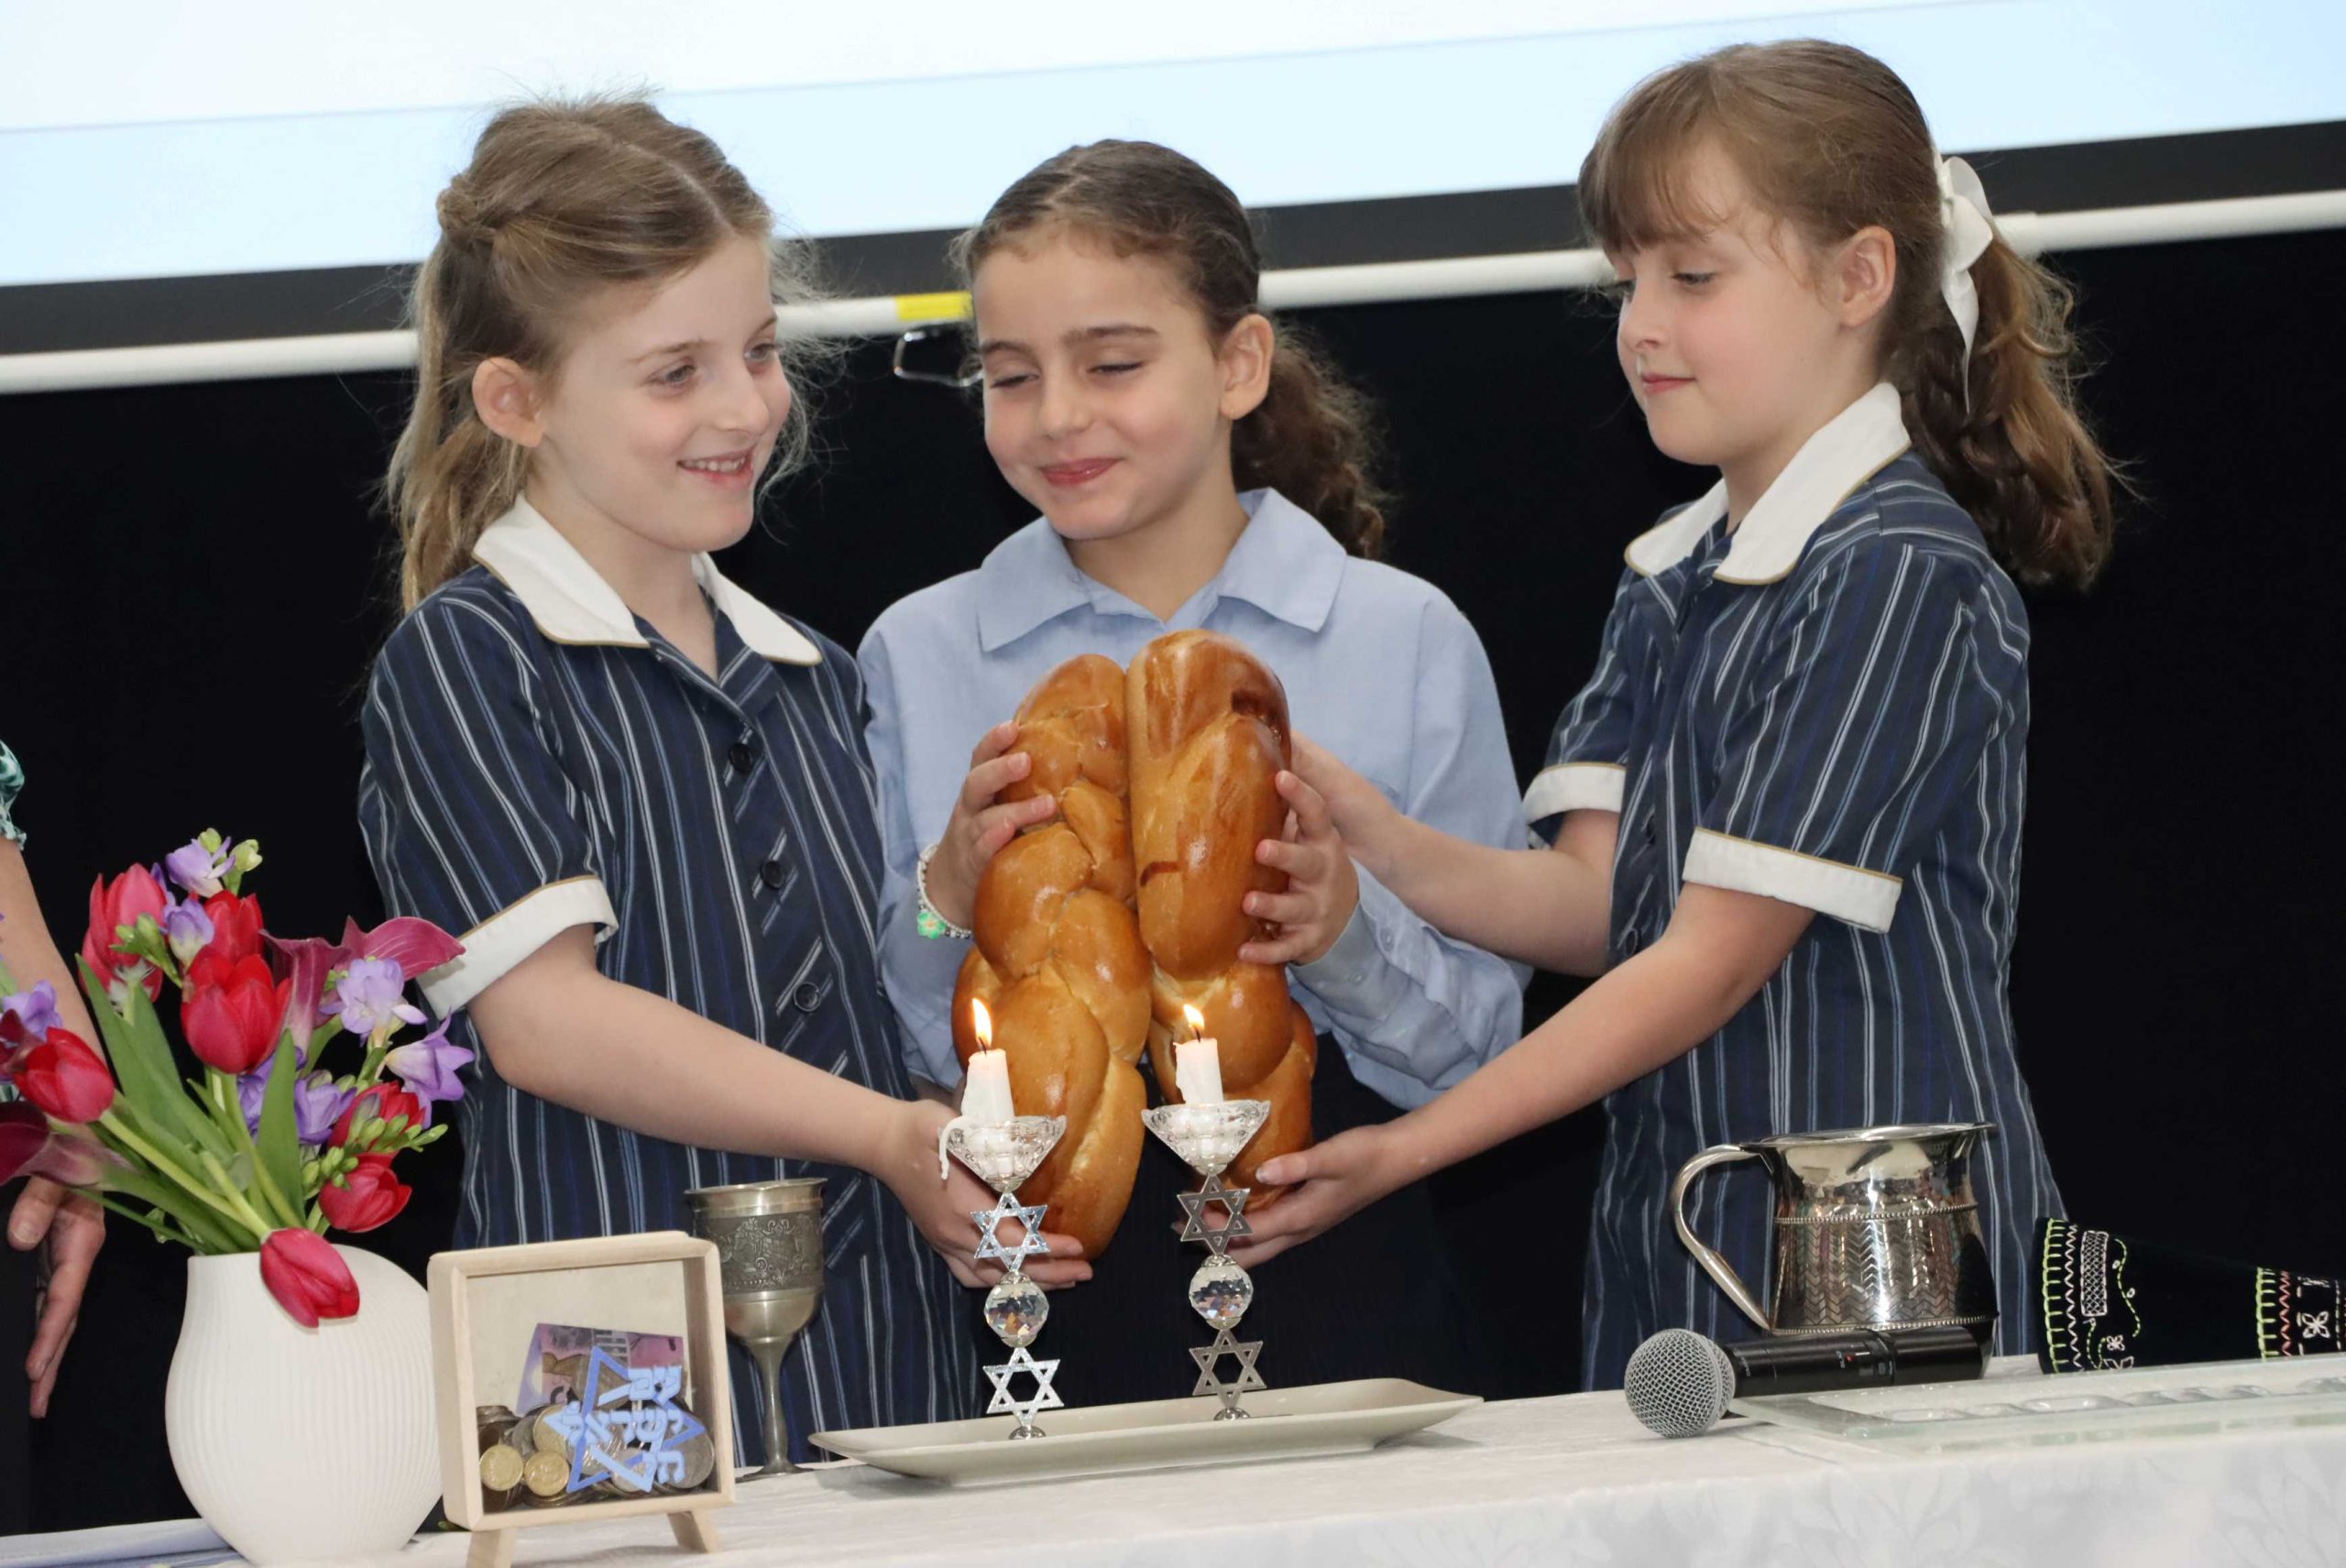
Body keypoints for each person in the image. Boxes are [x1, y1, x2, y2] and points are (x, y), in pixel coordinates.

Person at [1236, 40, 2119, 1388]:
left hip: (1882, 1276)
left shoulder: (1897, 571)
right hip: (1685, 1250)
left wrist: (1408, 1149)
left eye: (1692, 278)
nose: (1641, 325)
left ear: (1859, 278)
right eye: (1628, 281)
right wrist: (1375, 838)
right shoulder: (1673, 568)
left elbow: (1707, 958)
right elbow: (1604, 908)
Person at [355, 98, 1053, 1464]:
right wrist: (888, 1135)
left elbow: (878, 973)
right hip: (600, 1365)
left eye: (760, 351)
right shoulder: (471, 659)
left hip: (878, 1349)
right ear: (516, 400)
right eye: (676, 373)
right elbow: (546, 1024)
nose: (744, 407)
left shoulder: (815, 673)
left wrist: (946, 893)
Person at [860, 140, 1524, 1400]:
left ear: (1238, 365)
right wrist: (948, 892)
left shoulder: (1402, 637)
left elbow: (1479, 1062)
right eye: (1011, 375)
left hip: (1347, 1293)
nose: (1059, 415)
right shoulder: (920, 651)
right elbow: (900, 1044)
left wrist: (1341, 937)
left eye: (1112, 364)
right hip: (1042, 1306)